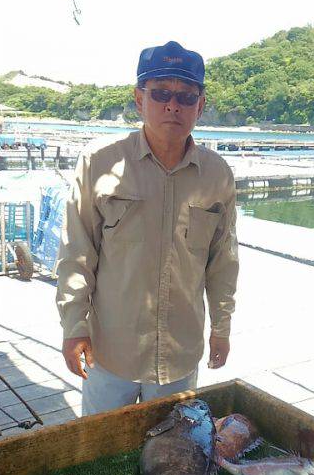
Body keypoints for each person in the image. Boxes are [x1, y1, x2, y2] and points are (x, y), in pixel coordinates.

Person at [56, 40, 239, 415]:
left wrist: (221, 327)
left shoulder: (218, 175)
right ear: (139, 99)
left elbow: (223, 261)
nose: (173, 105)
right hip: (110, 355)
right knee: (103, 448)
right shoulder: (98, 163)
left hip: (179, 359)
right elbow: (76, 253)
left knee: (174, 447)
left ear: (200, 105)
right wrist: (74, 327)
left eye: (186, 96)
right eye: (161, 93)